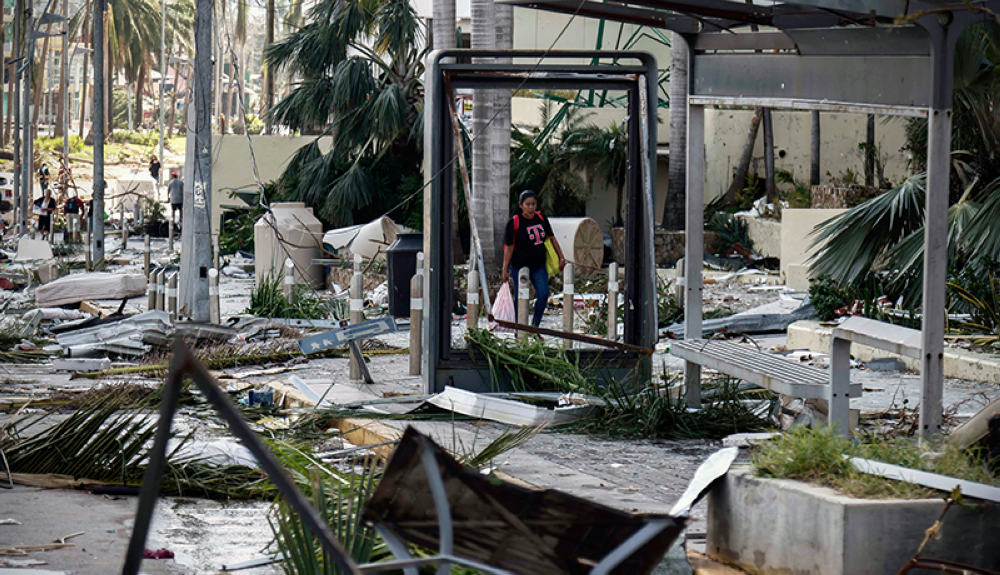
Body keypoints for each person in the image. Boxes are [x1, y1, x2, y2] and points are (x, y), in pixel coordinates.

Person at [501, 190, 566, 328]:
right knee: (521, 299)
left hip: (538, 265)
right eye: (528, 204)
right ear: (521, 205)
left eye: (533, 204)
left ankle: (534, 327)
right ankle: (519, 329)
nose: (531, 207)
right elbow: (509, 247)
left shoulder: (541, 218)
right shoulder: (514, 223)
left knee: (543, 294)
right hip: (519, 266)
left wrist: (561, 257)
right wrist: (505, 269)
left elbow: (552, 238)